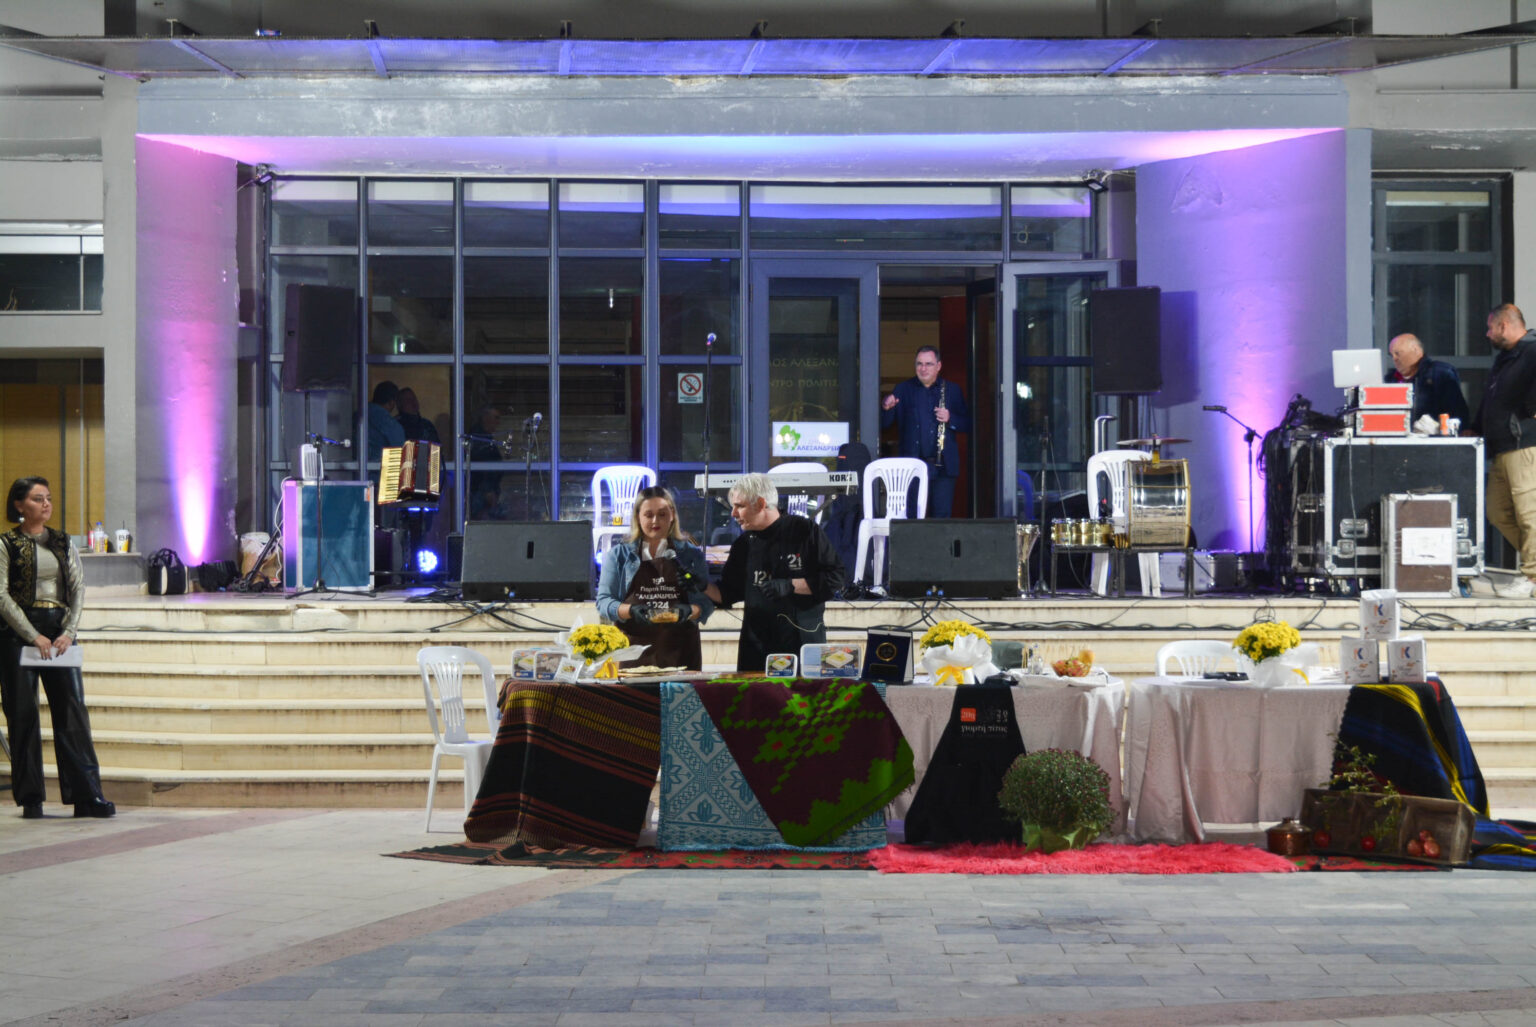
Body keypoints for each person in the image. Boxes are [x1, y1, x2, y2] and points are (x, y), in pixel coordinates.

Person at [0, 477, 114, 819]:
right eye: (38, 499)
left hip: (60, 630)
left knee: (72, 712)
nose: (46, 504)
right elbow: (1, 595)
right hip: (18, 633)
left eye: (48, 498)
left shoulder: (63, 542)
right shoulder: (6, 543)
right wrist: (32, 634)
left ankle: (87, 796)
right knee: (22, 715)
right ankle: (31, 798)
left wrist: (68, 631)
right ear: (19, 505)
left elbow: (78, 588)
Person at [709, 473, 846, 672]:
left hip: (802, 644)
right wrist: (700, 585)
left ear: (761, 503)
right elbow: (728, 593)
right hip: (757, 649)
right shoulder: (743, 544)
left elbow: (835, 578)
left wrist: (791, 585)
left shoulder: (804, 530)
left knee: (805, 693)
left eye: (739, 506)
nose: (733, 514)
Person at [595, 486, 714, 671]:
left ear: (672, 515)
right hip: (632, 653)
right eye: (648, 515)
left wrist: (690, 610)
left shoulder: (691, 555)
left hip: (681, 653)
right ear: (638, 517)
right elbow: (604, 602)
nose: (655, 521)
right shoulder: (619, 555)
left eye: (662, 514)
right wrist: (631, 610)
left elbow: (706, 603)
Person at [1472, 304, 1536, 597]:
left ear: (1504, 325)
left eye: (1490, 328)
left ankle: (1532, 576)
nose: (1488, 334)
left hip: (1524, 445)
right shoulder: (1506, 358)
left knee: (1528, 513)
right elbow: (1491, 399)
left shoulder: (1532, 351)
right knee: (1496, 511)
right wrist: (1476, 427)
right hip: (1500, 448)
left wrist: (1530, 411)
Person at [880, 345, 971, 518]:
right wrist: (886, 408)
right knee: (912, 516)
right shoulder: (902, 390)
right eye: (919, 364)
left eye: (929, 364)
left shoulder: (952, 390)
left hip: (944, 467)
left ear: (938, 366)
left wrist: (950, 418)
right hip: (912, 467)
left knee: (941, 518)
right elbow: (884, 424)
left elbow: (967, 424)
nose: (923, 368)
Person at [1386, 333, 1469, 428]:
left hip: (1435, 436)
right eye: (1391, 355)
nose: (1394, 358)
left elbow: (1457, 412)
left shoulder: (1441, 373)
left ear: (1415, 350)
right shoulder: (1391, 379)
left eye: (1398, 353)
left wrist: (1436, 427)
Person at [366, 380, 406, 462]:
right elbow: (401, 455)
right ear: (392, 402)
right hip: (379, 468)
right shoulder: (390, 424)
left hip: (352, 468)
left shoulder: (358, 417)